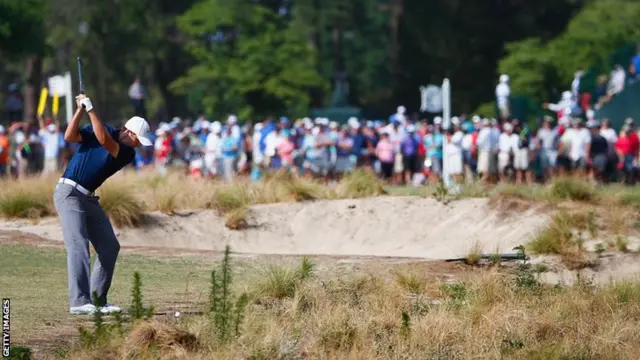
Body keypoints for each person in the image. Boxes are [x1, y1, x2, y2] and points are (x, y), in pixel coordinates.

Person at [55, 94, 152, 315]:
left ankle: (98, 300)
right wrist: (81, 110)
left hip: (88, 198)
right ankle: (79, 302)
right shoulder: (102, 128)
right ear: (129, 132)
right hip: (69, 193)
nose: (139, 145)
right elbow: (70, 136)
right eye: (138, 139)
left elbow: (104, 141)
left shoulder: (126, 153)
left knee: (109, 246)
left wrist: (91, 108)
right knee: (78, 244)